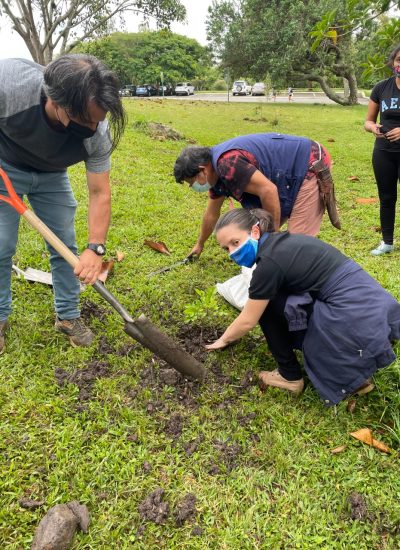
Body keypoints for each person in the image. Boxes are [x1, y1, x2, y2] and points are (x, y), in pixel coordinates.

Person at [205, 209, 400, 406]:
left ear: (255, 232)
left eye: (235, 242)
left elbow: (248, 320)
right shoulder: (281, 243)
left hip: (353, 315)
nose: (232, 252)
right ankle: (355, 374)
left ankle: (289, 376)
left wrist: (223, 339)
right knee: (281, 299)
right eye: (226, 248)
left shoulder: (268, 265)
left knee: (265, 308)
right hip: (374, 304)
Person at [0, 54, 126, 353]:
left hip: (52, 174)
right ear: (55, 101)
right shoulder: (9, 84)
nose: (94, 128)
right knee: (1, 245)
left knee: (64, 246)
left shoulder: (98, 131)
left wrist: (96, 247)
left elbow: (99, 192)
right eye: (85, 120)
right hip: (6, 168)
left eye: (100, 120)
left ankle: (68, 316)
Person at [173, 133, 339, 257]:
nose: (194, 186)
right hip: (286, 173)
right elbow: (211, 214)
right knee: (260, 233)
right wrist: (199, 244)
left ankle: (302, 280)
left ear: (203, 169)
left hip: (309, 162)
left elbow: (269, 191)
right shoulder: (216, 175)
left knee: (296, 243)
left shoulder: (227, 164)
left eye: (192, 182)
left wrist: (271, 237)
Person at [365, 44, 400, 256]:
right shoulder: (381, 88)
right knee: (386, 197)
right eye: (399, 60)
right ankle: (387, 242)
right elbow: (368, 121)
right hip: (384, 152)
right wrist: (373, 128)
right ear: (393, 63)